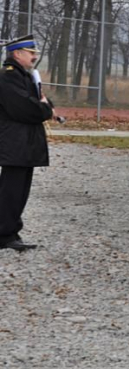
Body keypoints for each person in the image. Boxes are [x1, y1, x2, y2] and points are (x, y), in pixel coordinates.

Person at [0, 35, 53, 251]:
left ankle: (11, 231)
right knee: (11, 191)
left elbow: (43, 101)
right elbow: (26, 108)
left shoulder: (24, 76)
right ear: (17, 54)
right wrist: (45, 109)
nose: (34, 57)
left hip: (24, 143)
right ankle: (4, 234)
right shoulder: (9, 77)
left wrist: (44, 106)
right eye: (31, 53)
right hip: (15, 142)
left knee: (19, 191)